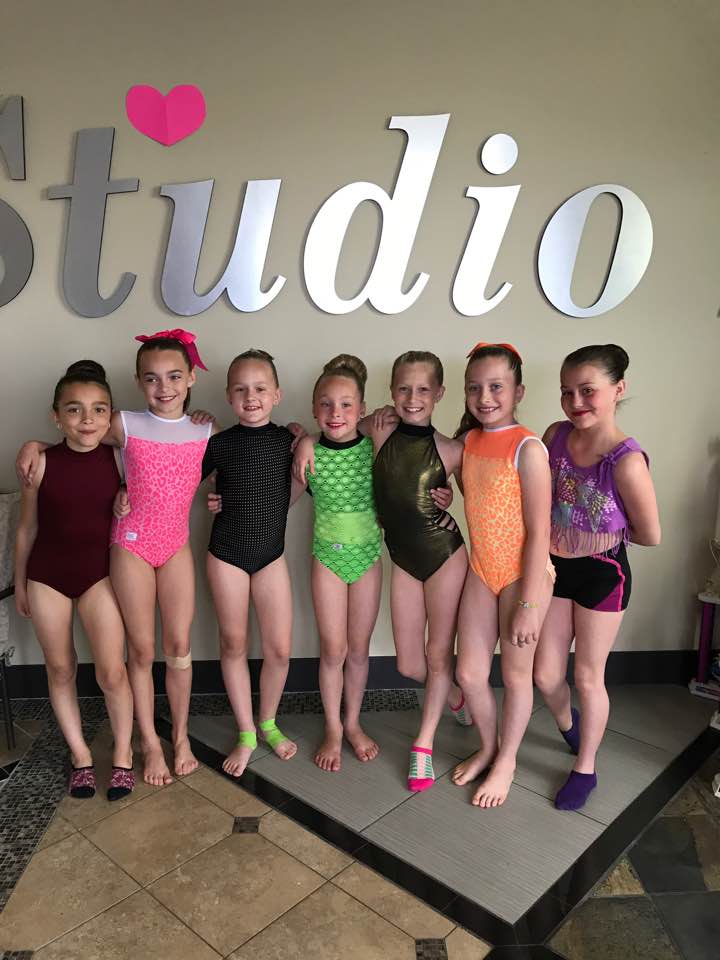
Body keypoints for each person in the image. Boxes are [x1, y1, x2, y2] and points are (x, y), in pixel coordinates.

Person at [533, 344, 660, 810]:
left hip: (603, 573)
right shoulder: (555, 435)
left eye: (588, 391)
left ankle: (585, 766)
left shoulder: (626, 460)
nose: (575, 402)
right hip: (554, 568)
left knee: (588, 677)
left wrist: (598, 531)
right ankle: (571, 726)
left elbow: (650, 534)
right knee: (546, 675)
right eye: (566, 392)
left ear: (618, 389)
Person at [14, 361, 135, 800]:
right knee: (61, 668)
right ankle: (80, 755)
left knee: (112, 672)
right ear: (57, 416)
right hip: (47, 576)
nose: (87, 420)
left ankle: (122, 754)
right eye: (74, 409)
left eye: (99, 409)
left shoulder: (119, 458)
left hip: (99, 576)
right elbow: (27, 527)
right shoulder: (40, 463)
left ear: (110, 415)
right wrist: (21, 580)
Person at [450, 342, 554, 808]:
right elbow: (475, 495)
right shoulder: (469, 443)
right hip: (482, 569)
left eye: (496, 387)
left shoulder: (528, 448)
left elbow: (540, 532)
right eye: (475, 388)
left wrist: (529, 603)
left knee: (516, 676)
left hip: (522, 575)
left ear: (518, 392)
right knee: (469, 673)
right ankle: (488, 746)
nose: (485, 397)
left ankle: (507, 760)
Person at [202, 349, 305, 778]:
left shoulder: (289, 442)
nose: (251, 397)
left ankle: (268, 723)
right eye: (241, 389)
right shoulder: (218, 442)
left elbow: (300, 486)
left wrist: (306, 438)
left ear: (276, 395)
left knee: (279, 649)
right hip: (226, 554)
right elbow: (181, 476)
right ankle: (246, 732)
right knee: (234, 644)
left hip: (270, 556)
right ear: (229, 396)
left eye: (260, 388)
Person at [372, 351, 468, 791]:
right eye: (404, 389)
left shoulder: (452, 449)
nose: (413, 398)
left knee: (437, 654)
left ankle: (423, 745)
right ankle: (454, 696)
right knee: (410, 664)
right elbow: (334, 427)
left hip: (444, 555)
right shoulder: (378, 428)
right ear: (392, 391)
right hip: (403, 558)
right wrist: (299, 438)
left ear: (439, 394)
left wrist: (451, 500)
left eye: (423, 389)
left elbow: (484, 497)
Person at [300, 354, 383, 772]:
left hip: (368, 556)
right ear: (314, 409)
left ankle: (352, 723)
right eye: (326, 404)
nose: (336, 413)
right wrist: (302, 439)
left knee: (359, 650)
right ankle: (332, 727)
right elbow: (280, 496)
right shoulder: (308, 452)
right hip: (327, 559)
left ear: (362, 409)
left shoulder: (376, 445)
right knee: (333, 650)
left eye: (347, 404)